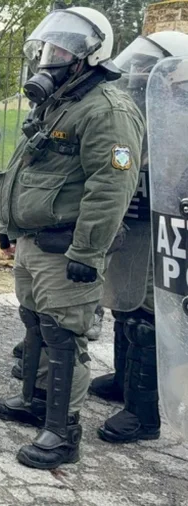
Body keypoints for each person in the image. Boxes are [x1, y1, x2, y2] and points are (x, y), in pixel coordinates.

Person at [0, 7, 144, 469]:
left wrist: (88, 251)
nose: (49, 59)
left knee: (63, 334)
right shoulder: (61, 101)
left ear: (89, 57)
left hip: (67, 246)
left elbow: (111, 186)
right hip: (35, 240)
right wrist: (9, 224)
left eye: (61, 52)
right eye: (48, 49)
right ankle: (34, 399)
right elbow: (26, 169)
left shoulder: (107, 110)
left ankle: (63, 432)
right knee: (35, 321)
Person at [88, 31, 188, 444]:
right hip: (137, 226)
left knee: (147, 317)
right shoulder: (147, 112)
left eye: (149, 67)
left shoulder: (180, 117)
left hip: (167, 234)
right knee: (124, 304)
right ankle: (123, 382)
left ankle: (143, 415)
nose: (138, 73)